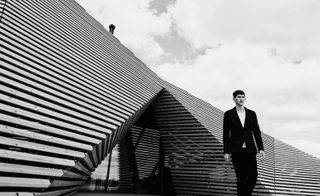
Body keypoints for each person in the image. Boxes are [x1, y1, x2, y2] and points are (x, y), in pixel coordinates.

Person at [223, 90, 266, 196]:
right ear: (234, 99)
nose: (241, 99)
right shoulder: (228, 114)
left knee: (253, 176)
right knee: (241, 177)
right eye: (238, 97)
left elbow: (256, 132)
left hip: (250, 150)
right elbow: (225, 134)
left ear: (245, 99)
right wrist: (226, 151)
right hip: (236, 150)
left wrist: (261, 148)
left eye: (243, 97)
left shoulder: (252, 114)